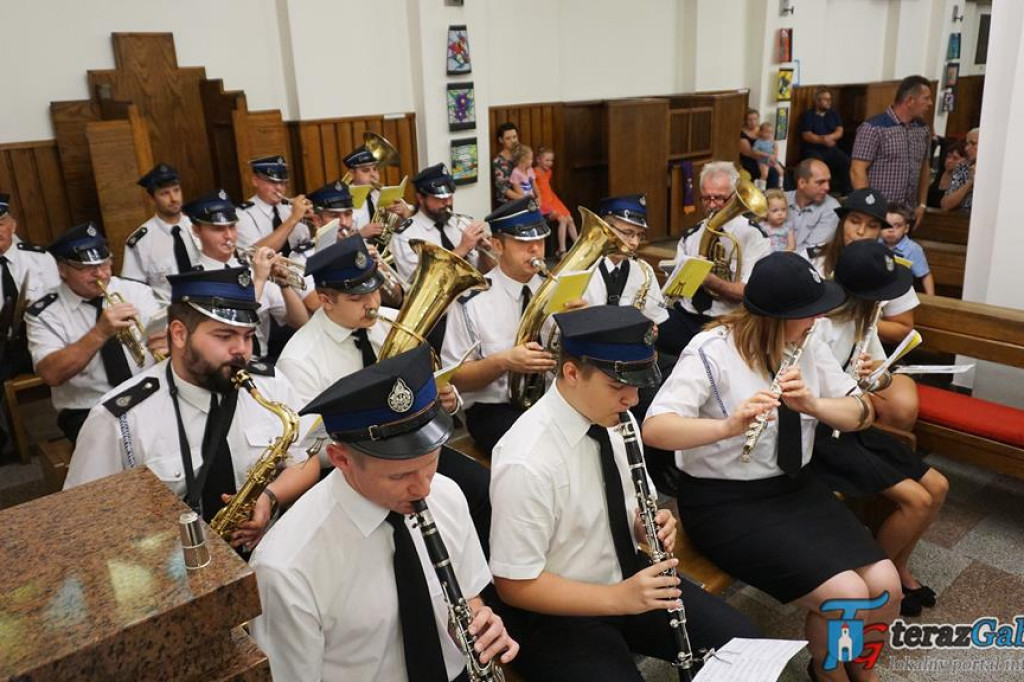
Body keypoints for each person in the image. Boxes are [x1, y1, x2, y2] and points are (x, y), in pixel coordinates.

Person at [643, 252, 901, 681]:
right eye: (808, 314)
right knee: (849, 595)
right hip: (723, 502)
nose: (818, 320)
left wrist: (814, 405)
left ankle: (861, 668)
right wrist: (728, 425)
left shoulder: (807, 342)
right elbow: (656, 429)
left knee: (886, 587)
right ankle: (829, 674)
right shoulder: (711, 351)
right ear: (775, 318)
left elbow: (862, 412)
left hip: (794, 489)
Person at [489, 305, 760, 681]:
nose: (632, 400)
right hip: (557, 610)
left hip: (626, 576)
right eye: (618, 386)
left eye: (636, 385)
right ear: (570, 373)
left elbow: (633, 505)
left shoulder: (617, 418)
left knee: (745, 649)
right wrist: (621, 598)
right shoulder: (526, 461)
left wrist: (648, 526)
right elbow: (514, 585)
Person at [250, 344, 518, 681]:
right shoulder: (285, 568)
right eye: (400, 475)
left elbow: (467, 600)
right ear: (341, 459)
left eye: (431, 463)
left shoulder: (446, 494)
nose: (423, 489)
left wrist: (481, 623)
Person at [65, 266, 320, 549]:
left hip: (269, 553)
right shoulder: (119, 418)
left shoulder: (268, 385)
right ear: (178, 334)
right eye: (224, 336)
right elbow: (83, 519)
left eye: (247, 336)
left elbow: (306, 460)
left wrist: (270, 497)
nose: (242, 351)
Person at [808, 239, 948, 618]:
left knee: (938, 486)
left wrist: (876, 376)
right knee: (915, 500)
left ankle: (898, 568)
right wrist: (857, 386)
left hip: (857, 422)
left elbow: (881, 381)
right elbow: (815, 400)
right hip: (824, 435)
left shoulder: (866, 317)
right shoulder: (818, 327)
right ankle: (878, 581)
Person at [25, 222, 163, 443]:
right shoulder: (43, 313)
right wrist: (99, 333)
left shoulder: (136, 291)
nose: (100, 273)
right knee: (126, 446)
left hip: (148, 394)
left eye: (105, 263)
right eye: (86, 268)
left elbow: (162, 342)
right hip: (89, 408)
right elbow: (51, 374)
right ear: (62, 269)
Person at [442, 197, 555, 456]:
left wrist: (579, 324)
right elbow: (457, 377)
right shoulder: (471, 301)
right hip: (493, 408)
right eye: (524, 242)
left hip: (552, 396)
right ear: (496, 245)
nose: (535, 250)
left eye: (540, 240)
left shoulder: (554, 289)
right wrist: (503, 362)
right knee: (537, 452)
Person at [658, 161, 771, 356]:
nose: (712, 205)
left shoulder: (753, 236)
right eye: (706, 198)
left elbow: (750, 292)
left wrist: (711, 280)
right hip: (689, 316)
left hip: (730, 321)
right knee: (649, 333)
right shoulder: (691, 235)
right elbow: (677, 289)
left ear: (735, 195)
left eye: (719, 198)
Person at [185, 191, 308, 360]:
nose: (229, 236)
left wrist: (284, 284)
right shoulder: (195, 281)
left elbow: (300, 321)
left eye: (232, 227)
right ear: (196, 231)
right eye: (218, 229)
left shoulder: (253, 268)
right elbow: (233, 324)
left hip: (262, 362)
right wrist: (259, 280)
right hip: (224, 365)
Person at [817, 189, 922, 365]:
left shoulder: (889, 270)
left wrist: (852, 320)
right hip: (815, 349)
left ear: (879, 231)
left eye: (872, 226)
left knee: (905, 392)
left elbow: (904, 329)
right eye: (854, 221)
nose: (861, 231)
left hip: (869, 355)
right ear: (842, 222)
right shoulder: (814, 258)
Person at [390, 163, 494, 284]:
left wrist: (484, 252)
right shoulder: (405, 236)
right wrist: (462, 249)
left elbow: (483, 274)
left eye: (450, 196)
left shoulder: (460, 223)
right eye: (440, 198)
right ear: (420, 198)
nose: (448, 203)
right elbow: (421, 283)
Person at [851, 75, 933, 228]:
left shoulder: (923, 128)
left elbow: (925, 167)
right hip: (880, 211)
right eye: (926, 98)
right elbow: (857, 170)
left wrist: (922, 205)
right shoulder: (873, 128)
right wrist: (870, 207)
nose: (930, 103)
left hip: (908, 214)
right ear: (910, 100)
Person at [0, 193, 60, 379]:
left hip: (42, 340)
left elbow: (59, 306)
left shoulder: (40, 259)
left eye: (0, 224)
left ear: (13, 226)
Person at [584, 194, 669, 326]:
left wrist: (651, 328)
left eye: (640, 235)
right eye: (628, 233)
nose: (635, 243)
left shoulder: (644, 271)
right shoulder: (581, 269)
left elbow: (655, 316)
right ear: (605, 228)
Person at [121, 163, 199, 300]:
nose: (174, 199)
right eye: (165, 193)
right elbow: (132, 291)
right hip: (166, 313)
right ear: (152, 199)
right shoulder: (141, 242)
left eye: (176, 190)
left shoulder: (198, 226)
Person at [236, 155, 314, 257]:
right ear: (255, 181)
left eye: (283, 182)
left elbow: (306, 245)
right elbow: (253, 255)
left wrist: (316, 221)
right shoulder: (242, 214)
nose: (279, 188)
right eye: (272, 182)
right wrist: (293, 219)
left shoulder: (290, 208)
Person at [799, 87, 852, 195]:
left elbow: (839, 130)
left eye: (829, 99)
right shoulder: (808, 115)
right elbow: (807, 135)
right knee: (818, 165)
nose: (829, 102)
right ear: (817, 101)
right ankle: (819, 193)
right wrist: (823, 140)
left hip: (831, 149)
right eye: (825, 99)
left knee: (846, 162)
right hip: (814, 150)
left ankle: (847, 193)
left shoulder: (833, 114)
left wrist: (831, 137)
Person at [785, 158, 841, 256]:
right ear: (802, 183)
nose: (827, 187)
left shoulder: (832, 209)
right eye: (820, 182)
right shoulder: (782, 199)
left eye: (828, 181)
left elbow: (811, 252)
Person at [534, 146, 577, 257]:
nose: (550, 163)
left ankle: (577, 244)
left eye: (551, 160)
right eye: (547, 160)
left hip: (552, 199)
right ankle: (562, 250)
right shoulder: (534, 173)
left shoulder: (548, 172)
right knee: (562, 220)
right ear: (538, 159)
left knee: (570, 219)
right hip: (544, 202)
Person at [882, 204, 934, 295]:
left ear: (906, 228)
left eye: (897, 225)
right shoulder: (875, 243)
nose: (891, 230)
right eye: (886, 225)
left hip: (903, 294)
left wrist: (932, 299)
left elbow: (925, 275)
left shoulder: (913, 249)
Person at [739, 109, 781, 189]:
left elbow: (774, 144)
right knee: (772, 171)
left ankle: (776, 192)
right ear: (746, 121)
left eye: (755, 119)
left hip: (768, 157)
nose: (753, 122)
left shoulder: (764, 129)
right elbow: (750, 153)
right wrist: (767, 158)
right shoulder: (742, 134)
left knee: (780, 169)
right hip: (751, 161)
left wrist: (774, 156)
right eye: (750, 120)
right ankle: (762, 192)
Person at [941, 127, 978, 213]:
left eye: (972, 143)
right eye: (967, 144)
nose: (966, 148)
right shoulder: (963, 169)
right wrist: (969, 182)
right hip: (960, 221)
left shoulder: (994, 171)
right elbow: (945, 205)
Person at [926, 140, 966, 209]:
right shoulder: (937, 173)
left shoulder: (962, 179)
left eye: (955, 158)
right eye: (948, 157)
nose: (949, 161)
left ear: (965, 161)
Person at [492, 122, 520, 207]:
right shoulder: (498, 161)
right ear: (501, 140)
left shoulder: (521, 155)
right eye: (508, 138)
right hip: (507, 203)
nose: (513, 141)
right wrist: (523, 199)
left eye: (514, 137)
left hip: (524, 197)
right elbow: (503, 188)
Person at [753, 121, 785, 190]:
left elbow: (776, 147)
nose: (769, 134)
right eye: (766, 132)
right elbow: (754, 151)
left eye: (771, 132)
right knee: (764, 174)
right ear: (761, 132)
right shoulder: (758, 142)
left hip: (772, 160)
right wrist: (765, 154)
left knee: (781, 171)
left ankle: (780, 186)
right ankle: (760, 188)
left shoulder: (771, 140)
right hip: (763, 161)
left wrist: (775, 156)